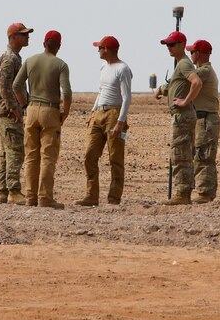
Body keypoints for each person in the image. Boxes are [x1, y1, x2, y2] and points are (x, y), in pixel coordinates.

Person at [13, 29, 72, 209]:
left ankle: (31, 197)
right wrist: (65, 113)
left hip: (31, 110)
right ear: (59, 46)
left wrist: (24, 105)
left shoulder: (30, 61)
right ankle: (45, 198)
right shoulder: (60, 65)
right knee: (48, 157)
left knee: (31, 157)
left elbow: (16, 85)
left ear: (44, 44)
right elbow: (67, 93)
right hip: (50, 112)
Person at [75, 35, 133, 207]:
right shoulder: (103, 67)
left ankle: (114, 197)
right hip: (99, 114)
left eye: (99, 48)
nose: (97, 51)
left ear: (106, 49)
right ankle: (91, 195)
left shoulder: (123, 69)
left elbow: (127, 97)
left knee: (116, 157)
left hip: (114, 114)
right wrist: (93, 112)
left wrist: (120, 122)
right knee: (89, 155)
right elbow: (101, 91)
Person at [0, 22, 32, 205]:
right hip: (7, 111)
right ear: (13, 37)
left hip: (6, 109)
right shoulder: (9, 59)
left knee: (6, 152)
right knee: (15, 150)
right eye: (23, 34)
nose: (27, 37)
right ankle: (13, 191)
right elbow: (5, 87)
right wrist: (14, 108)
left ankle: (3, 191)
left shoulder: (14, 57)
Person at [153, 30, 199, 205]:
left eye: (172, 45)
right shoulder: (180, 64)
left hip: (182, 116)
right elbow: (176, 84)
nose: (169, 48)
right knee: (182, 153)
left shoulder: (184, 64)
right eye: (167, 45)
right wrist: (161, 90)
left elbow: (196, 82)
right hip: (181, 116)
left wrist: (186, 100)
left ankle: (182, 193)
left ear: (181, 45)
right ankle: (183, 192)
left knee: (180, 154)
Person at [186, 39, 220, 204]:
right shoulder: (204, 71)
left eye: (192, 52)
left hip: (206, 119)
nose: (190, 55)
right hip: (203, 118)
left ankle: (205, 193)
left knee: (203, 155)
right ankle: (206, 192)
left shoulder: (204, 71)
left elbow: (183, 81)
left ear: (198, 54)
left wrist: (163, 89)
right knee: (202, 155)